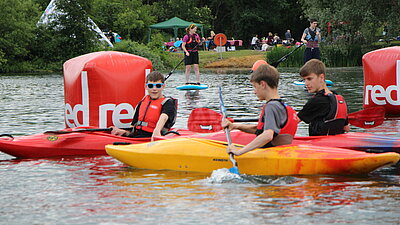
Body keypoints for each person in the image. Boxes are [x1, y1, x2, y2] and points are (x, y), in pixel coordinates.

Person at [222, 61, 299, 156]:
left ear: (263, 84)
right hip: (282, 153)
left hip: (271, 155)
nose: (254, 92)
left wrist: (239, 151)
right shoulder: (281, 105)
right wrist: (235, 126)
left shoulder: (271, 107)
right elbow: (261, 130)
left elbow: (267, 135)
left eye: (255, 87)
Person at [110, 71, 177, 141]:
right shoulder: (143, 102)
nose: (154, 89)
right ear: (146, 87)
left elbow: (163, 117)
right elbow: (133, 125)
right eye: (150, 86)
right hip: (138, 136)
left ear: (163, 86)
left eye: (158, 86)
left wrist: (157, 130)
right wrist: (125, 132)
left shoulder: (168, 103)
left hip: (154, 136)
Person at [297, 59, 350, 136]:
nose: (306, 83)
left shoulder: (317, 101)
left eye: (309, 79)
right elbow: (346, 128)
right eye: (304, 80)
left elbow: (293, 122)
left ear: (321, 77)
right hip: (336, 144)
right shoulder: (339, 99)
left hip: (318, 145)